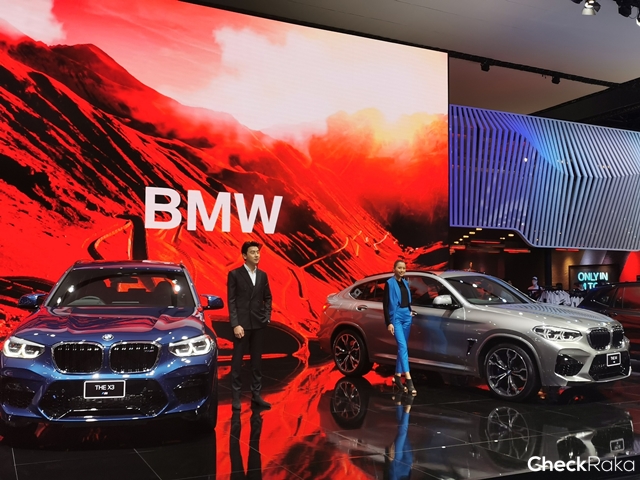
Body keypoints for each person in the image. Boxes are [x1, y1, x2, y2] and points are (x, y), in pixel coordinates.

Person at [228, 241, 273, 411]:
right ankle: (236, 396)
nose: (256, 255)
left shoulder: (262, 275)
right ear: (244, 256)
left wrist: (266, 317)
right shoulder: (234, 274)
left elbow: (268, 297)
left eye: (257, 252)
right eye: (252, 252)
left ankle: (256, 394)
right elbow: (231, 301)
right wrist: (235, 324)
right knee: (237, 362)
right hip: (242, 325)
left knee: (256, 362)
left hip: (258, 324)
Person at [383, 259, 417, 396]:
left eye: (404, 268)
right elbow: (385, 304)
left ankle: (397, 376)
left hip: (406, 316)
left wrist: (410, 311)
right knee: (403, 347)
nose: (402, 270)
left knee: (402, 348)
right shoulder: (389, 283)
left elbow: (406, 301)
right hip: (396, 317)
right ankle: (408, 379)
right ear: (394, 269)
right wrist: (389, 322)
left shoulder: (405, 283)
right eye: (399, 268)